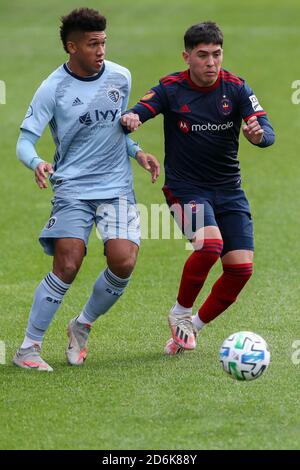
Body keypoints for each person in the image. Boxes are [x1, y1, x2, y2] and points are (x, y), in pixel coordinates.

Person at [13, 7, 160, 371]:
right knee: (68, 262)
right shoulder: (53, 88)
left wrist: (137, 152)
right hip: (73, 189)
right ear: (71, 47)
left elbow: (115, 129)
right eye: (93, 44)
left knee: (123, 261)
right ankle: (28, 348)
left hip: (116, 186)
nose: (101, 51)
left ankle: (81, 326)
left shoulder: (120, 77)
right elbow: (24, 143)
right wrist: (38, 163)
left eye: (104, 42)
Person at [121, 21, 275, 354]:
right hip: (185, 188)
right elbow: (140, 109)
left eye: (216, 54)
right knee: (209, 247)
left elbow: (266, 129)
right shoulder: (171, 88)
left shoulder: (235, 88)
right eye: (202, 55)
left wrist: (259, 136)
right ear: (187, 56)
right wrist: (133, 117)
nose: (211, 62)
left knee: (240, 269)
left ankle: (193, 327)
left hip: (229, 190)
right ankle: (180, 313)